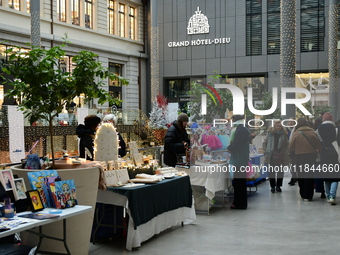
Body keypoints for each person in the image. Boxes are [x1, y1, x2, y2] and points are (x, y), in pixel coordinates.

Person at [289, 118, 321, 201]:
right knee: (309, 174)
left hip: (299, 156)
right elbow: (318, 145)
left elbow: (291, 147)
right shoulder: (313, 132)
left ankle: (303, 193)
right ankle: (309, 195)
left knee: (301, 174)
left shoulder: (296, 133)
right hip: (311, 156)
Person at [227, 115, 250, 209]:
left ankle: (239, 203)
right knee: (240, 181)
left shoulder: (240, 130)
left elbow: (237, 143)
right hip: (241, 158)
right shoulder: (243, 129)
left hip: (239, 159)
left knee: (238, 182)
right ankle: (240, 202)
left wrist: (230, 148)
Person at [316, 112, 339, 205]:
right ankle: (332, 196)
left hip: (323, 155)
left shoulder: (318, 130)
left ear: (323, 120)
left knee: (326, 176)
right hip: (334, 154)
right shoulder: (336, 130)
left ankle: (328, 194)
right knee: (335, 176)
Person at [262, 121, 289, 193]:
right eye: (277, 126)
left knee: (280, 171)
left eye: (280, 126)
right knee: (271, 172)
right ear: (274, 126)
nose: (278, 128)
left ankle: (278, 186)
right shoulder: (270, 133)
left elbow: (287, 144)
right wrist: (265, 151)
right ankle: (272, 186)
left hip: (281, 155)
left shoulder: (284, 134)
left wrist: (286, 153)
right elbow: (265, 142)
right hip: (271, 155)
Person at [313, 116, 325, 198]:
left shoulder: (315, 131)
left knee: (318, 172)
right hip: (326, 155)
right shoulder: (326, 130)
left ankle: (320, 190)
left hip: (317, 156)